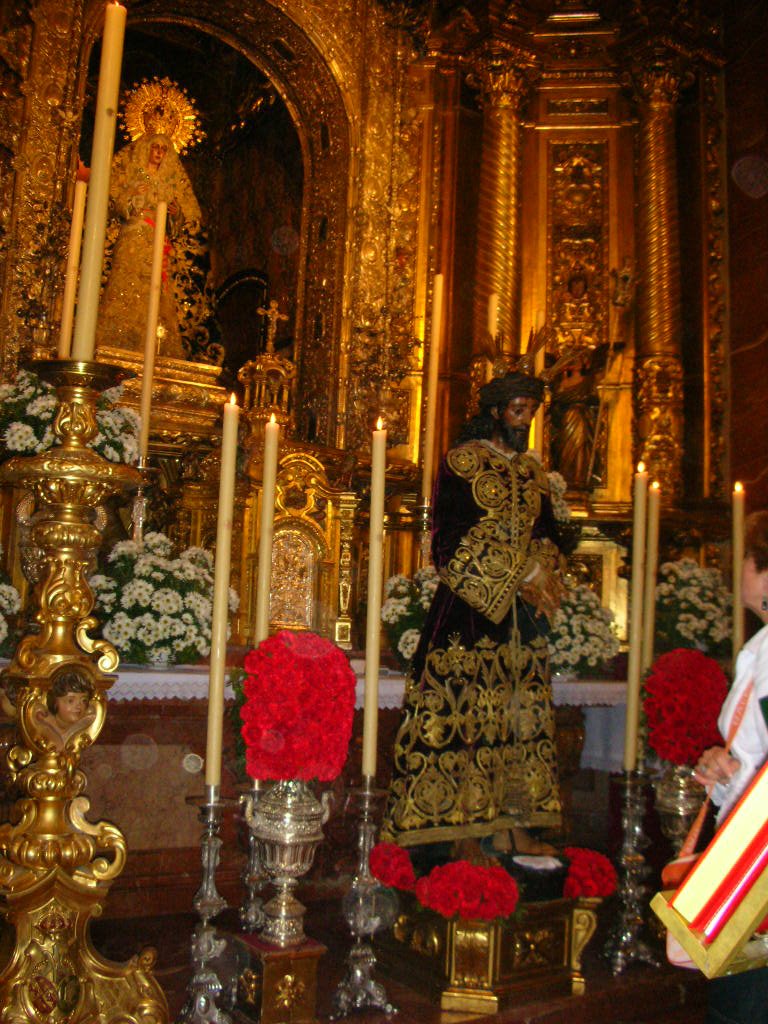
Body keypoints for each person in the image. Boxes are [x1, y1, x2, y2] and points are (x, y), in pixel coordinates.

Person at [380, 370, 565, 856]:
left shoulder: (532, 472)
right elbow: (446, 541)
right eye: (518, 410)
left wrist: (544, 570)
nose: (526, 421)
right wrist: (517, 571)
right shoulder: (461, 463)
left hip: (521, 623)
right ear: (496, 412)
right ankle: (462, 831)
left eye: (532, 410)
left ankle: (512, 826)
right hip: (469, 613)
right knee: (467, 720)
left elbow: (546, 533)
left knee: (518, 722)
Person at [694, 510, 768, 1024]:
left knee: (744, 1000)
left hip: (758, 856)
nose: (736, 567)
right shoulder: (758, 647)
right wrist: (723, 765)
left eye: (745, 557)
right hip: (745, 836)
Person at [96, 132, 202, 358]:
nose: (159, 153)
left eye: (163, 150)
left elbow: (178, 219)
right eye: (155, 148)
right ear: (147, 149)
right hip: (134, 237)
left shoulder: (168, 182)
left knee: (155, 291)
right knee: (127, 283)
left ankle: (154, 346)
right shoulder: (134, 174)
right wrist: (133, 197)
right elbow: (118, 204)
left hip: (156, 240)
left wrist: (176, 215)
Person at [33, 670, 95, 751]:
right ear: (55, 702)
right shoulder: (42, 723)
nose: (79, 706)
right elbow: (57, 747)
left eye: (84, 700)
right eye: (70, 701)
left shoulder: (88, 721)